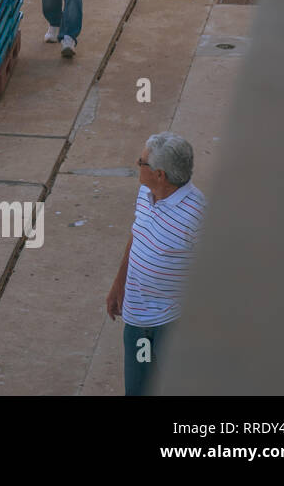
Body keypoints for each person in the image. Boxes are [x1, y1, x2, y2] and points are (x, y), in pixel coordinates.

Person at [105, 132, 206, 396]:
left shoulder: (197, 216)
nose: (137, 164)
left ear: (160, 174)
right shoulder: (146, 192)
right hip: (137, 320)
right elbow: (138, 233)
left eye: (142, 162)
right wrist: (119, 284)